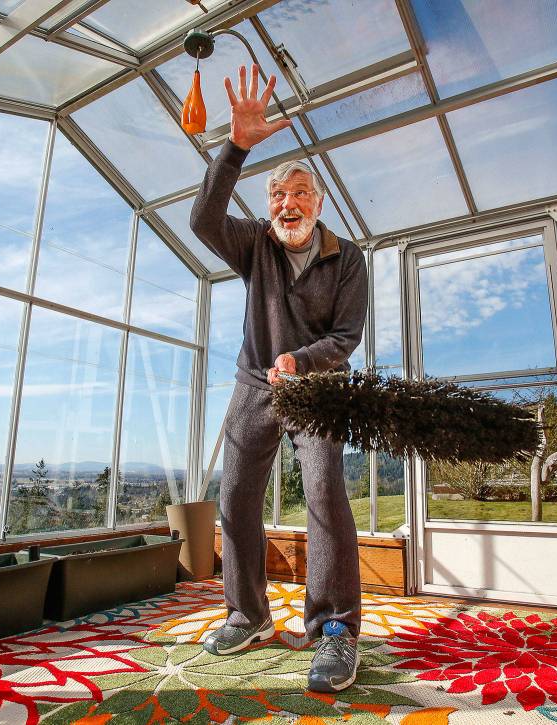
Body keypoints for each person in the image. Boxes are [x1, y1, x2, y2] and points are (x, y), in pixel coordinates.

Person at [189, 64, 368, 694]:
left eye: (299, 194)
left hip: (317, 388)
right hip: (254, 384)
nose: (287, 204)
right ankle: (249, 614)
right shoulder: (255, 245)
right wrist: (235, 146)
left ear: (318, 202)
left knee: (323, 495)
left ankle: (335, 629)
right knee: (235, 495)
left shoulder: (347, 259)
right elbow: (202, 219)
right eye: (277, 197)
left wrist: (304, 361)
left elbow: (348, 337)